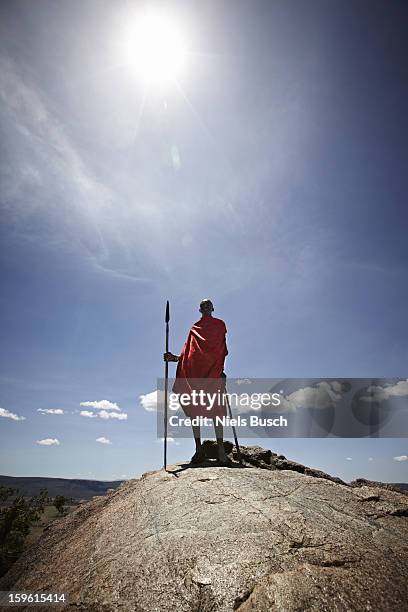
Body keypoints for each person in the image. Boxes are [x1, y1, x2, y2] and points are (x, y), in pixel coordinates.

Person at [164, 299, 232, 466]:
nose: (206, 307)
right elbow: (191, 356)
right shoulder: (194, 329)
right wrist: (174, 359)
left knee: (217, 411)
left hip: (214, 373)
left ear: (213, 308)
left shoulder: (219, 325)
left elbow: (220, 350)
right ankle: (198, 450)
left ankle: (221, 452)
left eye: (208, 304)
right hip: (196, 374)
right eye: (203, 305)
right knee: (195, 412)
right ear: (199, 309)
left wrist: (220, 369)